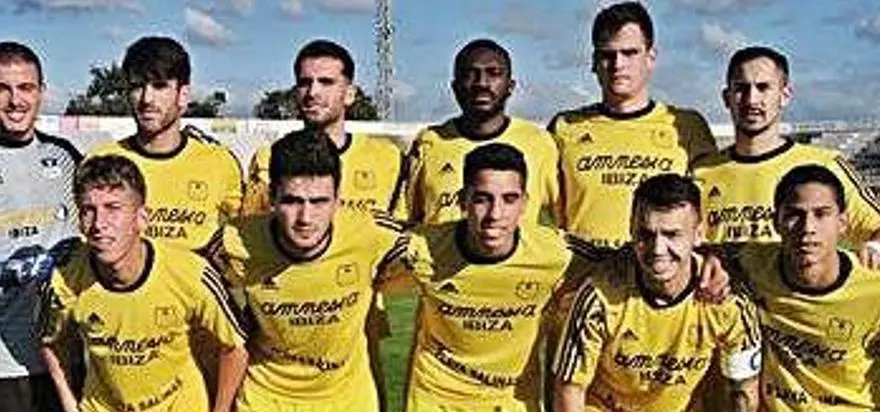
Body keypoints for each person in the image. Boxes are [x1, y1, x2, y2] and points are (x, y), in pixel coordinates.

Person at [380, 143, 600, 412]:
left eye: (509, 200)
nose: (495, 214)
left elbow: (624, 262)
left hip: (514, 399)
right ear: (463, 200)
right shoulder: (423, 247)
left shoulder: (555, 252)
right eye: (482, 199)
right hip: (438, 398)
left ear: (525, 204)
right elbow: (361, 237)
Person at [38, 154, 248, 412]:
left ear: (141, 218)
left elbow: (235, 346)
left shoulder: (189, 273)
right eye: (89, 210)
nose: (99, 223)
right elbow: (50, 342)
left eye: (113, 208)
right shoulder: (65, 279)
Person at [217, 129, 402, 412]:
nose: (305, 217)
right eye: (292, 201)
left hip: (345, 401)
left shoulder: (370, 233)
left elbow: (440, 249)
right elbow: (178, 269)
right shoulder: (235, 241)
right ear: (272, 197)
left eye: (319, 202)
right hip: (267, 402)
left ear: (338, 200)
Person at [553, 174, 761, 412]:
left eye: (672, 234)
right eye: (646, 234)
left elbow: (744, 390)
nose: (657, 249)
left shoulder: (728, 302)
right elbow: (570, 387)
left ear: (699, 234)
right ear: (631, 231)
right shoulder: (601, 295)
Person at [726, 165, 880, 412]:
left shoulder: (873, 290)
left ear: (843, 223)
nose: (808, 228)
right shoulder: (754, 263)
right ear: (776, 222)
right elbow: (703, 253)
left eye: (821, 214)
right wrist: (709, 263)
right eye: (795, 215)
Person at [693, 46, 880, 264]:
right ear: (727, 98)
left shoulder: (825, 165)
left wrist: (874, 248)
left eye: (763, 87)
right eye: (741, 88)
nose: (752, 99)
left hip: (799, 287)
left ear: (784, 95)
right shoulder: (701, 173)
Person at [551, 1, 716, 248]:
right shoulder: (565, 127)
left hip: (658, 265)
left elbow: (710, 211)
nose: (618, 64)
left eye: (629, 53)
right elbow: (547, 214)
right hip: (584, 268)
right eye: (608, 54)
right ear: (594, 62)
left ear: (650, 58)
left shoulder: (686, 126)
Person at [0, 40, 82, 412]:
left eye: (25, 87)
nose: (15, 100)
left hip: (60, 348)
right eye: (3, 88)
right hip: (2, 354)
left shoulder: (65, 157)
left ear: (41, 92)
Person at [88, 36, 243, 254]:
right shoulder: (101, 161)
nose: (146, 99)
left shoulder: (220, 162)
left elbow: (243, 236)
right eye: (137, 87)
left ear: (183, 95)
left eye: (159, 86)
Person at [241, 39, 406, 219]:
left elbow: (402, 228)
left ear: (350, 94)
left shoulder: (389, 159)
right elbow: (253, 227)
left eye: (326, 82)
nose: (313, 92)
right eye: (305, 83)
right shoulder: (267, 159)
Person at [405, 38, 559, 226]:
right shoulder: (429, 143)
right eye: (470, 74)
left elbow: (561, 218)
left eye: (493, 73)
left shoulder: (539, 143)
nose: (482, 83)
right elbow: (407, 219)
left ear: (510, 86)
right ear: (455, 87)